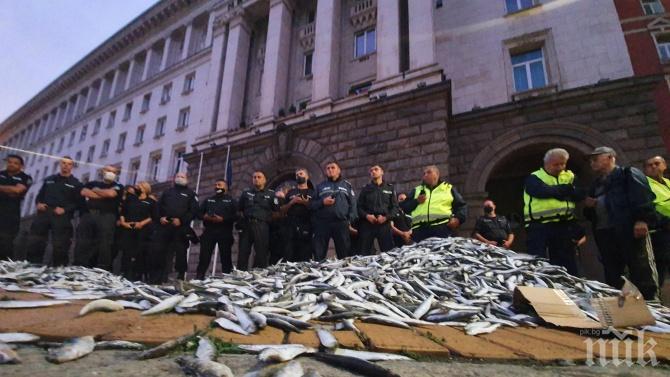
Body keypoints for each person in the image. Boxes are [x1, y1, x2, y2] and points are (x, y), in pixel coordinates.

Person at [584, 147, 659, 300]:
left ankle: (652, 305)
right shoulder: (596, 184)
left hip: (629, 230)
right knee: (613, 273)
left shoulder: (627, 174)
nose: (592, 162)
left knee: (640, 268)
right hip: (605, 233)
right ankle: (623, 309)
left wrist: (641, 220)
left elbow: (643, 196)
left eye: (596, 158)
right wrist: (589, 207)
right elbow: (590, 215)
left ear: (611, 157)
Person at [523, 148, 584, 275]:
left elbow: (579, 194)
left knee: (567, 263)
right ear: (546, 164)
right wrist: (567, 190)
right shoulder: (534, 177)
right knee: (539, 262)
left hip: (564, 225)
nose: (560, 167)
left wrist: (557, 191)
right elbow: (542, 192)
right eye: (556, 164)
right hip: (539, 226)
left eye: (563, 164)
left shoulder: (570, 176)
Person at [27, 156, 82, 266]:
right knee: (36, 241)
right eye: (63, 163)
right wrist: (38, 203)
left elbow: (78, 203)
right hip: (44, 213)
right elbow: (40, 195)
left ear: (72, 166)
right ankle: (33, 266)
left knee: (60, 245)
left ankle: (58, 269)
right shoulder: (49, 179)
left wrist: (65, 209)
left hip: (62, 216)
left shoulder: (76, 183)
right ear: (59, 164)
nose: (66, 165)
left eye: (69, 164)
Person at [73, 165, 123, 271]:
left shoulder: (118, 186)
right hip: (89, 215)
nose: (111, 173)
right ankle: (79, 267)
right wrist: (102, 194)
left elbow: (111, 194)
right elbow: (84, 192)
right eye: (109, 170)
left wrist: (95, 191)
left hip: (107, 216)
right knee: (83, 241)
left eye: (114, 172)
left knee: (104, 243)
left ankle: (101, 269)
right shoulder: (92, 183)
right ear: (103, 171)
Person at [152, 172, 198, 282]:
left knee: (181, 252)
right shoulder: (167, 192)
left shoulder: (191, 194)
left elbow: (193, 211)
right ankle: (160, 277)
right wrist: (160, 218)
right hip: (165, 227)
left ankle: (180, 276)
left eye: (182, 176)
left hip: (181, 228)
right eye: (178, 176)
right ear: (174, 178)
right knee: (161, 251)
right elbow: (158, 207)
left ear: (187, 179)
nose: (179, 178)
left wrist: (181, 220)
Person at [402, 165, 467, 242]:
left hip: (442, 230)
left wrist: (458, 219)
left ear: (437, 174)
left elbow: (461, 206)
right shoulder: (417, 190)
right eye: (424, 173)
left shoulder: (448, 188)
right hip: (420, 232)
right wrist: (416, 201)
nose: (425, 175)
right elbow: (404, 207)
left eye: (429, 172)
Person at [311, 162, 357, 260]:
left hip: (341, 223)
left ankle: (345, 274)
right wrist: (323, 202)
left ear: (339, 170)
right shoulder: (320, 186)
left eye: (333, 167)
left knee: (344, 255)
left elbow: (353, 205)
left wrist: (349, 221)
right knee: (319, 255)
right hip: (323, 224)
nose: (330, 170)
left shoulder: (347, 185)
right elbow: (312, 205)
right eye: (328, 168)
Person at [237, 171, 279, 270]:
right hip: (247, 225)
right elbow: (239, 209)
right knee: (243, 252)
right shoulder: (246, 193)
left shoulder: (271, 194)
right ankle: (240, 275)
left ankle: (258, 274)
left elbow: (277, 212)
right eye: (254, 177)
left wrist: (267, 219)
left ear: (264, 180)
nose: (256, 179)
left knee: (261, 252)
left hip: (262, 225)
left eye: (259, 177)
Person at [196, 179, 237, 279]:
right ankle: (199, 277)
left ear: (226, 187)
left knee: (225, 257)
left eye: (220, 185)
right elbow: (198, 213)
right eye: (216, 185)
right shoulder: (208, 200)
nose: (217, 187)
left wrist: (223, 219)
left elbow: (236, 216)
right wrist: (206, 217)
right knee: (204, 256)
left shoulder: (232, 200)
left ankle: (227, 279)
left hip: (225, 232)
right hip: (209, 231)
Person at [357, 165, 399, 255]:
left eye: (376, 169)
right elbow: (359, 207)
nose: (373, 171)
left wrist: (386, 217)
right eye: (371, 170)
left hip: (384, 224)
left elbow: (395, 207)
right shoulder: (365, 189)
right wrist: (367, 216)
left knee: (388, 253)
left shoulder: (390, 188)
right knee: (364, 253)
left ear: (382, 172)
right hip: (368, 224)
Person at [118, 181, 156, 281]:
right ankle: (124, 273)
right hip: (128, 228)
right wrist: (123, 223)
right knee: (126, 252)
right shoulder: (131, 199)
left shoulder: (151, 202)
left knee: (138, 252)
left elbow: (153, 216)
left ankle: (137, 275)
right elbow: (123, 212)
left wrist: (141, 224)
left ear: (144, 188)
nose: (136, 188)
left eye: (138, 186)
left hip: (142, 230)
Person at [644, 155, 670, 286]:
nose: (654, 166)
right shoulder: (645, 184)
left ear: (664, 165)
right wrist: (664, 223)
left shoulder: (668, 182)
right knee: (660, 269)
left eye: (657, 163)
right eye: (650, 165)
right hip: (660, 232)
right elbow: (649, 208)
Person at [0, 154, 32, 260]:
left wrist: (9, 190)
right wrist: (10, 189)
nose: (12, 165)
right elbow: (13, 190)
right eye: (10, 162)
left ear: (21, 166)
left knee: (6, 243)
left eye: (15, 163)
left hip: (11, 215)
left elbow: (17, 191)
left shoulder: (26, 178)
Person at [281, 168, 316, 261]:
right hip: (291, 225)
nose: (298, 176)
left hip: (307, 224)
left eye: (301, 173)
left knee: (305, 254)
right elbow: (282, 210)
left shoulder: (313, 193)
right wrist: (291, 202)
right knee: (289, 253)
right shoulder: (290, 193)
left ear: (307, 176)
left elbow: (317, 208)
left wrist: (305, 203)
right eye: (297, 175)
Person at [269, 185, 290, 265]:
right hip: (276, 231)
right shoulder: (275, 199)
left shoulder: (288, 201)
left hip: (284, 230)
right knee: (275, 255)